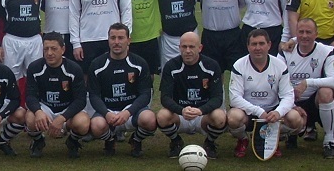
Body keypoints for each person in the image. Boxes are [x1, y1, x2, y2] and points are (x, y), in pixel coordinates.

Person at [227, 29, 304, 158]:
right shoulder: (239, 65)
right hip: (248, 113)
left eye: (261, 43)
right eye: (254, 44)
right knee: (233, 117)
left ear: (269, 45)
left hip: (272, 113)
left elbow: (288, 96)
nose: (258, 48)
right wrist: (258, 112)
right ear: (248, 46)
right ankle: (243, 139)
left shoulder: (280, 65)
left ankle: (274, 138)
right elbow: (234, 98)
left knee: (295, 118)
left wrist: (278, 112)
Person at [87, 23, 156, 157]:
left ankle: (136, 140)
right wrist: (106, 113)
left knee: (150, 119)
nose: (116, 42)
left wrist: (128, 112)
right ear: (108, 40)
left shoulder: (139, 63)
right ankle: (110, 139)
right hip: (108, 112)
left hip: (132, 112)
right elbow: (94, 95)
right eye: (113, 38)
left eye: (121, 38)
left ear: (128, 40)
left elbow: (145, 94)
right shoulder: (97, 65)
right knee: (96, 126)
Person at [279, 18, 334, 158]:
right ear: (296, 34)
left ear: (316, 34)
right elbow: (277, 80)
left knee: (326, 92)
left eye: (308, 32)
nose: (304, 36)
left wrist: (308, 82)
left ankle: (329, 141)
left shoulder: (326, 51)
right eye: (301, 32)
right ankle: (291, 134)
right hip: (291, 101)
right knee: (279, 102)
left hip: (314, 102)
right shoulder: (286, 51)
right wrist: (291, 101)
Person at [157, 32, 226, 159]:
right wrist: (181, 110)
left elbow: (217, 98)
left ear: (200, 48)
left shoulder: (211, 66)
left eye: (191, 47)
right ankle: (176, 141)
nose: (187, 51)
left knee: (220, 117)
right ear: (179, 48)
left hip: (203, 115)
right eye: (184, 47)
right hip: (180, 114)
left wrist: (201, 110)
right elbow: (165, 98)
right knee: (162, 116)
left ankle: (210, 143)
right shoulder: (171, 66)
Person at [24, 33, 90, 158]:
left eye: (54, 49)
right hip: (46, 108)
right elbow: (30, 95)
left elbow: (81, 100)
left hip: (67, 109)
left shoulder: (74, 69)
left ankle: (72, 141)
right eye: (46, 49)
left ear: (63, 49)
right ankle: (38, 141)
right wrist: (38, 111)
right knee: (30, 119)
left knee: (83, 123)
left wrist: (62, 118)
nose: (49, 53)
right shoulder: (34, 67)